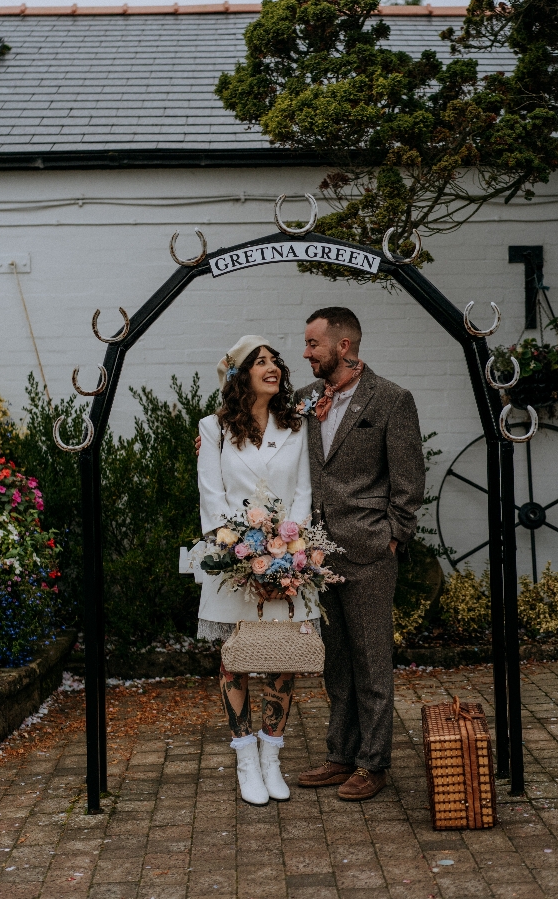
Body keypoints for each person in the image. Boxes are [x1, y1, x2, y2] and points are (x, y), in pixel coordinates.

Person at [294, 307, 425, 801]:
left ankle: (374, 764)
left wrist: (394, 535)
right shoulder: (307, 399)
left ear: (342, 347)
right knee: (337, 662)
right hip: (317, 555)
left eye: (313, 344)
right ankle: (339, 755)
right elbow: (265, 437)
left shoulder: (391, 400)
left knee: (372, 661)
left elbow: (409, 479)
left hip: (369, 550)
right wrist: (214, 438)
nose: (305, 353)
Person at [194, 334, 318, 807]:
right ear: (240, 374)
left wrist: (290, 550)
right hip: (234, 562)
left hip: (291, 558)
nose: (272, 367)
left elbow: (303, 491)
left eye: (275, 361)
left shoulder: (296, 425)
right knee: (236, 659)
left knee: (286, 658)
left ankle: (272, 754)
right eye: (259, 361)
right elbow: (213, 496)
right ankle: (245, 755)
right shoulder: (213, 428)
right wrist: (245, 556)